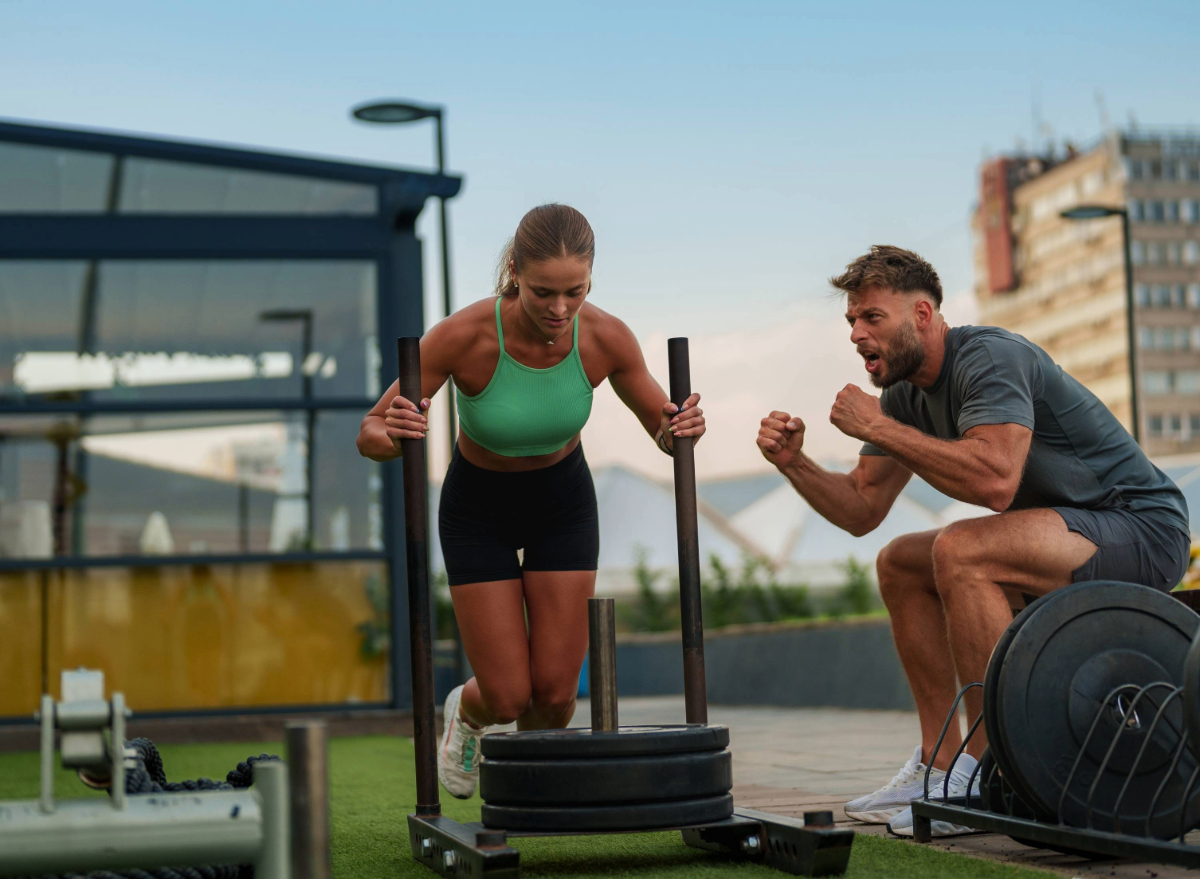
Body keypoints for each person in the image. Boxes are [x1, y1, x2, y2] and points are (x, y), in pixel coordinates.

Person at [756, 245, 1190, 837]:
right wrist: (794, 463)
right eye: (851, 321)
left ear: (924, 316)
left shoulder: (987, 357)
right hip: (1071, 533)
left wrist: (876, 425)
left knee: (960, 548)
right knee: (900, 563)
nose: (856, 333)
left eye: (872, 318)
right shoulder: (906, 395)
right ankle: (941, 767)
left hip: (1141, 526)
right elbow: (861, 509)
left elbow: (995, 482)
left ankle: (990, 775)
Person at [357, 203, 705, 798]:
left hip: (561, 502)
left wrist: (681, 428)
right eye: (544, 291)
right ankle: (467, 714)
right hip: (477, 508)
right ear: (515, 270)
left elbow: (664, 428)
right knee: (507, 694)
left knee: (555, 698)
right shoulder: (463, 336)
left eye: (576, 291)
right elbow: (371, 435)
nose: (560, 309)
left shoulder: (605, 337)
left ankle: (523, 788)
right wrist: (392, 434)